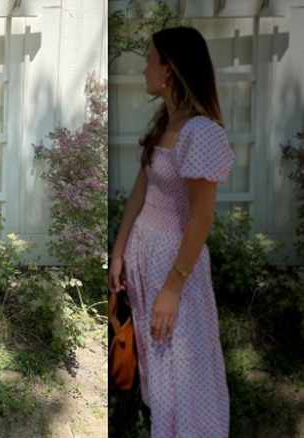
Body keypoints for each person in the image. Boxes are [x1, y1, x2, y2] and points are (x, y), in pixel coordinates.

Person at [109, 26, 232, 437]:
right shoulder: (167, 124)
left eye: (149, 59)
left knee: (185, 363)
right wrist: (119, 251)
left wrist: (172, 287)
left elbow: (200, 218)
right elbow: (137, 198)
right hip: (146, 261)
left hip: (176, 268)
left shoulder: (201, 133)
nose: (144, 67)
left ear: (170, 70)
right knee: (160, 360)